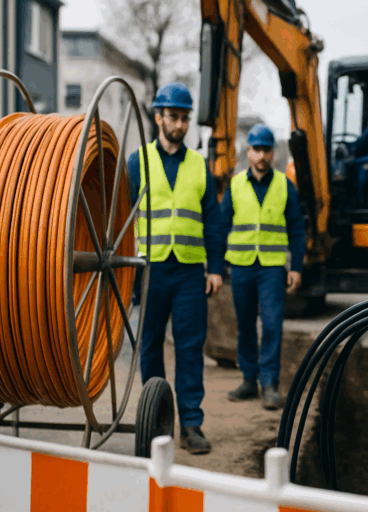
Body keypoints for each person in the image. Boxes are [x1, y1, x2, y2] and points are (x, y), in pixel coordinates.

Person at [128, 82, 225, 455]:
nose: (180, 124)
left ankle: (192, 425)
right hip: (149, 270)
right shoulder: (138, 162)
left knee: (189, 347)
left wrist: (214, 268)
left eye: (185, 118)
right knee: (150, 345)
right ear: (158, 118)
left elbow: (213, 223)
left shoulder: (199, 166)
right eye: (173, 117)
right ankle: (156, 422)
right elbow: (120, 217)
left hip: (188, 272)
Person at [221, 124, 307, 410]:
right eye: (256, 150)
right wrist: (215, 266)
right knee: (245, 325)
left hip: (271, 268)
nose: (261, 156)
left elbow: (296, 228)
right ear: (248, 153)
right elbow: (221, 227)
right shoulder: (235, 185)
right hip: (241, 267)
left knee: (272, 325)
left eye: (266, 150)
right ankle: (249, 380)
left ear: (273, 153)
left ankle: (269, 383)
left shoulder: (285, 185)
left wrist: (296, 267)